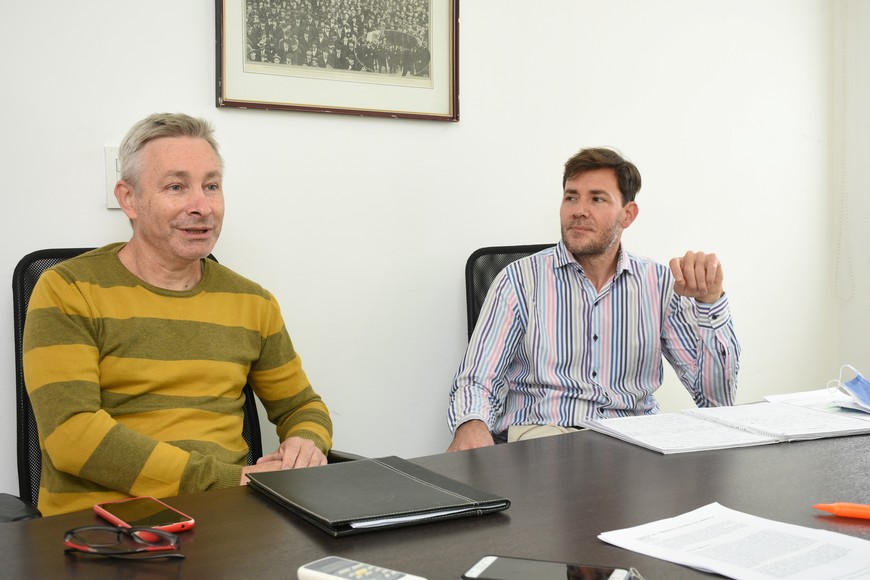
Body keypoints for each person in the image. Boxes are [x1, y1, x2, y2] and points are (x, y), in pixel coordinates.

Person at [24, 113, 333, 515]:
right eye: (176, 186)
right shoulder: (68, 289)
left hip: (229, 517)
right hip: (104, 525)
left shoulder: (253, 302)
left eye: (211, 186)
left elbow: (301, 406)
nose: (201, 207)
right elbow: (71, 435)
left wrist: (305, 443)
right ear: (129, 198)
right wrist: (226, 480)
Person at [447, 147, 740, 451]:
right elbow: (479, 379)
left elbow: (716, 400)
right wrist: (472, 423)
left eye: (597, 199)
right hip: (543, 443)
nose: (579, 210)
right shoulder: (519, 280)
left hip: (633, 446)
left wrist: (709, 303)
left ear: (628, 214)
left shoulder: (660, 284)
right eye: (571, 197)